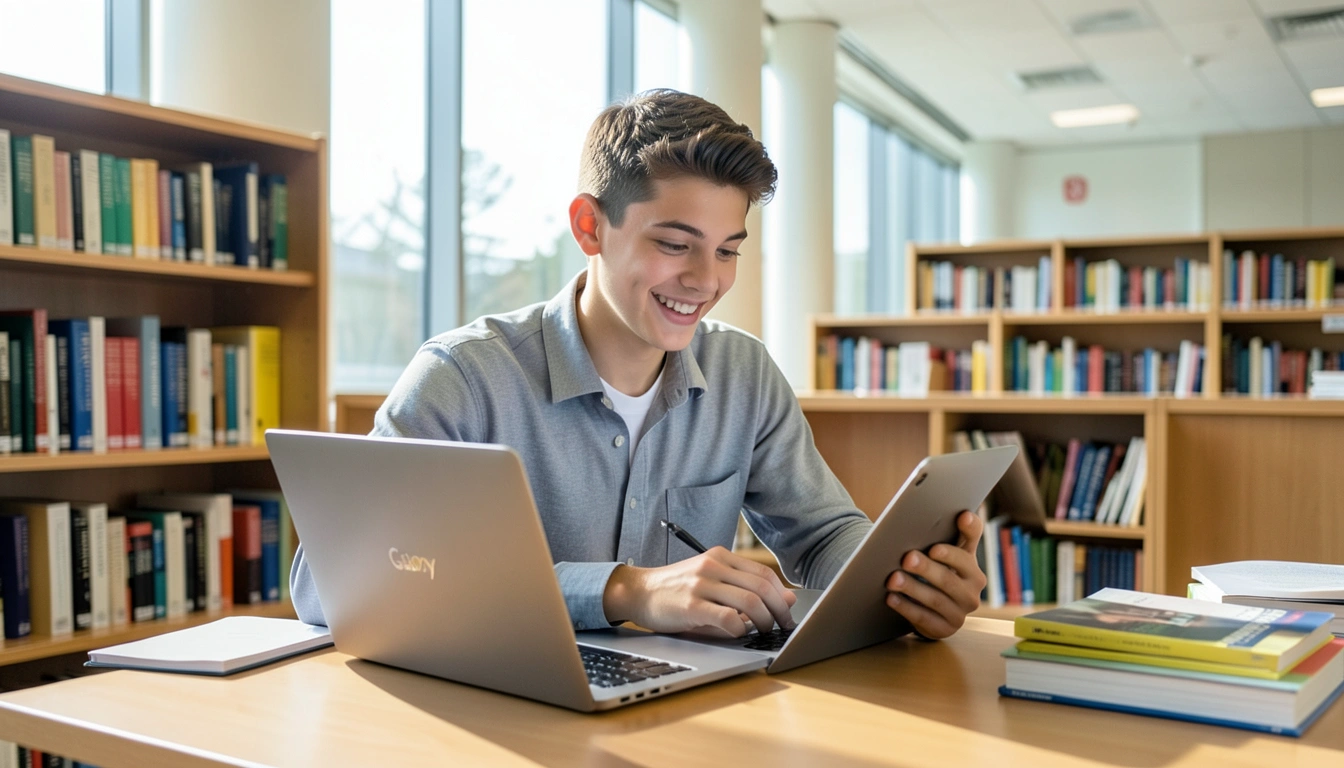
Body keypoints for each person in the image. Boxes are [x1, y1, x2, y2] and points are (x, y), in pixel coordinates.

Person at [291, 89, 986, 640]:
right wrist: (623, 590)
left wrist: (902, 582)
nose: (706, 280)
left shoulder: (743, 374)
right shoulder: (464, 376)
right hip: (495, 717)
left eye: (728, 250)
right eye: (676, 244)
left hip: (682, 709)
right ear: (590, 226)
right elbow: (332, 582)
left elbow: (824, 534)